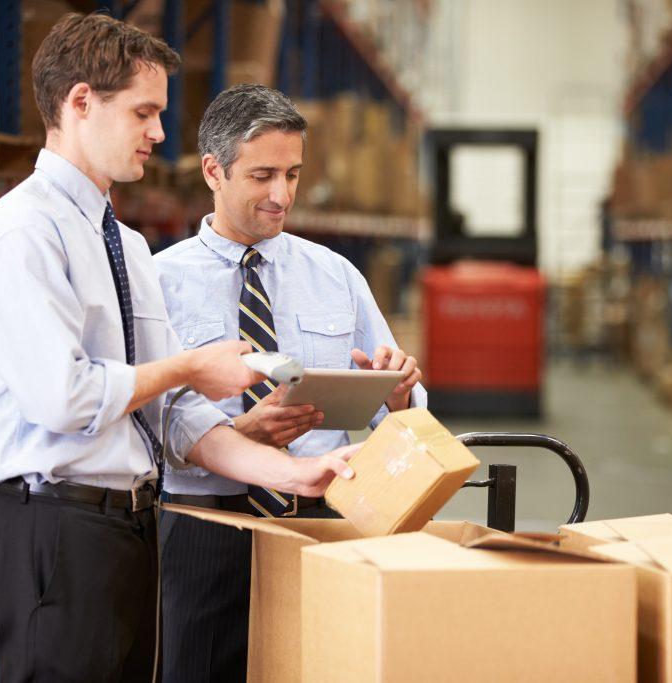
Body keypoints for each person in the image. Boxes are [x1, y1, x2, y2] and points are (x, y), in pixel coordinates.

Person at [0, 14, 355, 681]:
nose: (159, 133)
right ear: (80, 102)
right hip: (52, 530)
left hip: (127, 531)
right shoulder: (19, 236)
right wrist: (192, 365)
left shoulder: (128, 247)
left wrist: (290, 473)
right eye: (144, 112)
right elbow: (65, 396)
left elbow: (174, 411)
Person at [154, 84, 425, 682]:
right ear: (213, 172)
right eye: (263, 176)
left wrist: (396, 392)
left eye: (294, 174)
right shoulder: (160, 283)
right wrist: (239, 433)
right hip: (206, 524)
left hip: (321, 517)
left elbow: (396, 416)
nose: (282, 196)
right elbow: (145, 425)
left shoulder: (335, 275)